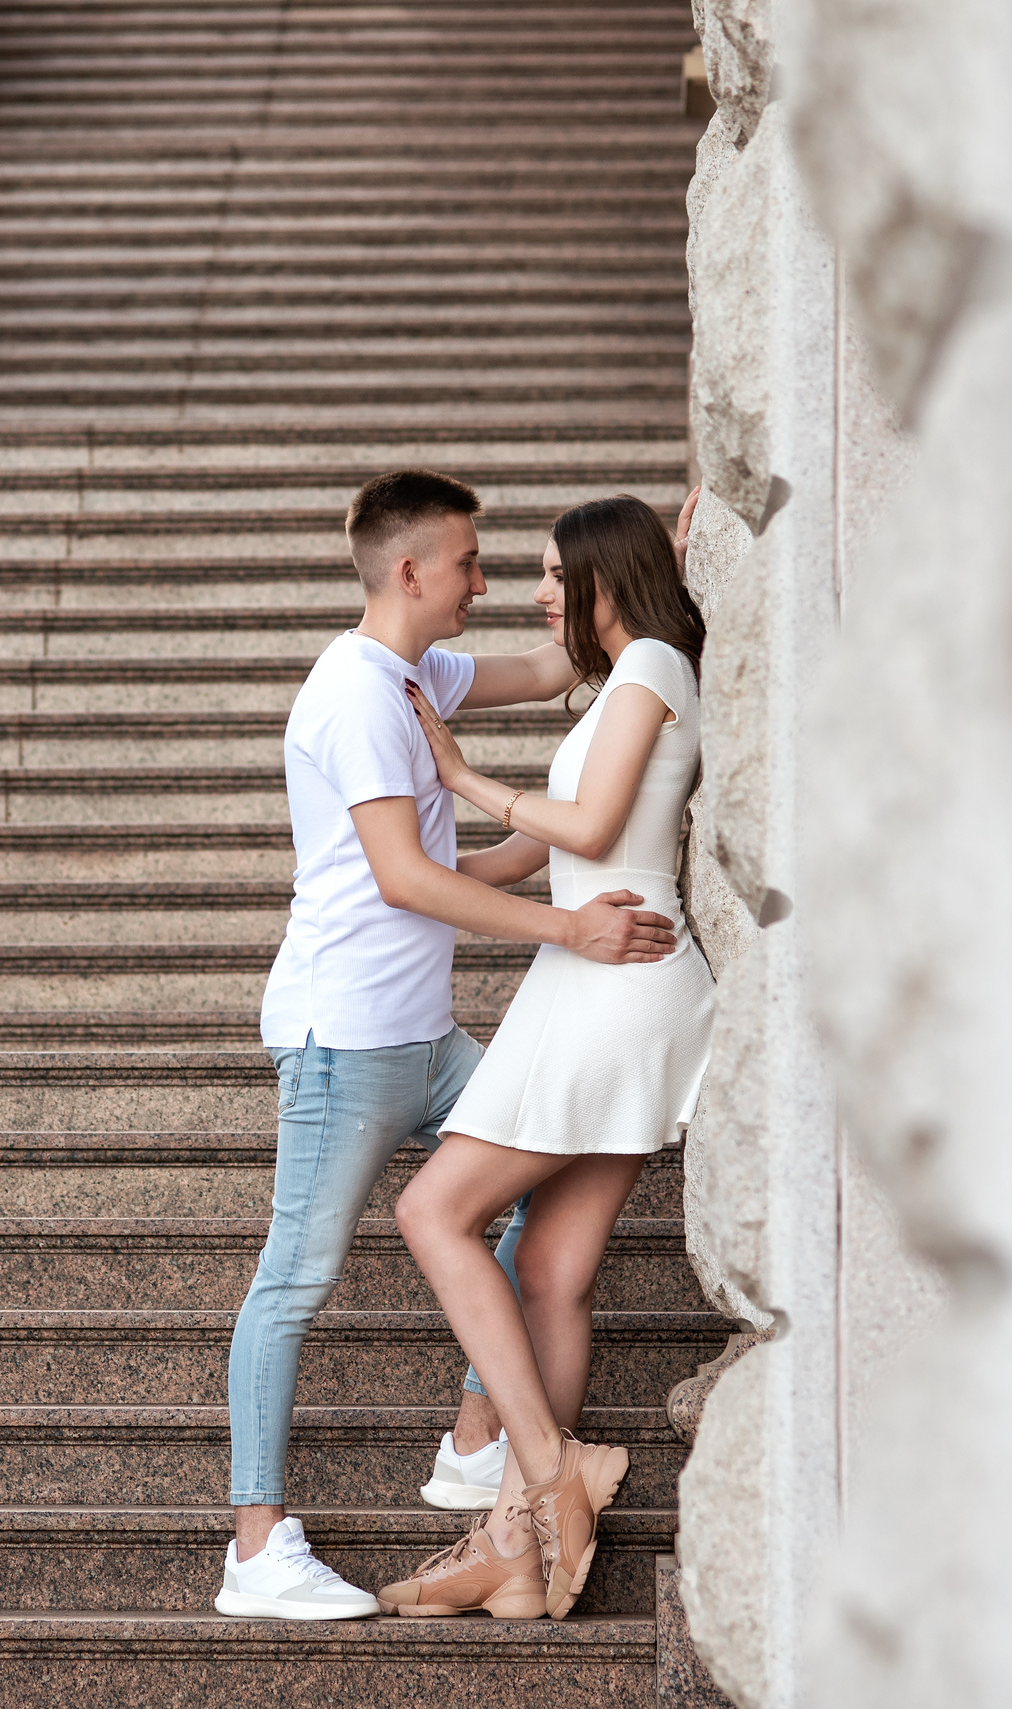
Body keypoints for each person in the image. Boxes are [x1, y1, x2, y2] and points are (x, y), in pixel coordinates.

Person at [216, 472, 681, 1620]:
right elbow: (406, 877)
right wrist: (568, 927)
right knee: (295, 1277)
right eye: (470, 561)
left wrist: (664, 563)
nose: (487, 582)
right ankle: (256, 1542)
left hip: (424, 1038)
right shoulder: (356, 694)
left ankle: (483, 1437)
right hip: (343, 1038)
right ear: (410, 570)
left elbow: (566, 663)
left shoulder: (424, 674)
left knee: (541, 1183)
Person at [375, 490, 716, 1622]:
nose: (535, 594)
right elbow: (546, 848)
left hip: (614, 983)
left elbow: (593, 824)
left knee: (433, 1210)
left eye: (556, 576)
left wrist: (462, 774)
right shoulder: (630, 674)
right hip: (594, 977)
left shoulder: (652, 665)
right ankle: (517, 1550)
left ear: (606, 581)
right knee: (552, 1271)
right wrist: (408, 872)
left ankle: (544, 1468)